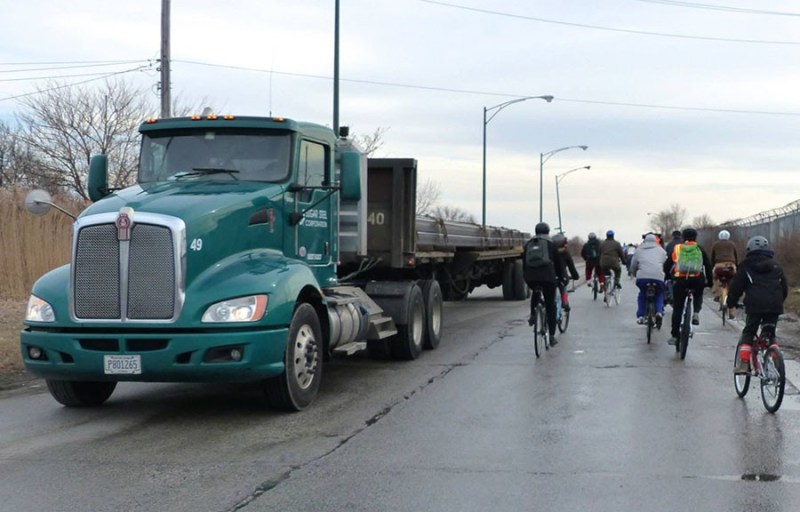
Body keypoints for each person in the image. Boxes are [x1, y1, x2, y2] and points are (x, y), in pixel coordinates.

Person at [726, 235, 788, 374]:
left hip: (755, 306)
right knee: (770, 333)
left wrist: (731, 303)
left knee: (749, 332)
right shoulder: (776, 266)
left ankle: (743, 364)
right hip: (775, 304)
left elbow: (736, 288)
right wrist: (777, 302)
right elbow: (784, 288)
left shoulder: (746, 266)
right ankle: (776, 358)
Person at [663, 227, 712, 346]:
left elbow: (667, 265)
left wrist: (668, 277)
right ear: (695, 237)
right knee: (698, 294)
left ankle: (674, 336)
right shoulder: (699, 248)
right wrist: (709, 282)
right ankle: (696, 313)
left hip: (680, 280)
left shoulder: (678, 248)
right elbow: (708, 266)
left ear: (683, 237)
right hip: (697, 279)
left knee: (678, 309)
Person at [523, 222, 565, 345]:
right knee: (550, 305)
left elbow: (525, 263)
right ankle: (552, 336)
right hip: (548, 278)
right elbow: (558, 264)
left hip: (530, 278)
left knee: (536, 291)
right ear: (547, 231)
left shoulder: (528, 244)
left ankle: (532, 315)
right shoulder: (551, 244)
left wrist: (526, 277)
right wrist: (561, 277)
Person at [630, 233, 667, 328]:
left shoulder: (639, 250)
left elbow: (633, 264)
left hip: (643, 278)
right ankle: (659, 312)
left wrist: (634, 274)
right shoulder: (661, 250)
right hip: (658, 278)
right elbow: (665, 262)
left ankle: (641, 316)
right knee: (659, 294)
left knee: (642, 294)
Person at [552, 233, 581, 311]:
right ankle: (565, 302)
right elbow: (571, 267)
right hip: (562, 277)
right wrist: (575, 276)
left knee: (550, 293)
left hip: (549, 277)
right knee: (563, 288)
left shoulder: (549, 252)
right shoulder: (565, 253)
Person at [710, 229, 739, 302]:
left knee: (715, 278)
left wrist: (712, 266)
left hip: (719, 265)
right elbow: (736, 256)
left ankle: (716, 293)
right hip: (731, 265)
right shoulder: (732, 244)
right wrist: (736, 266)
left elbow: (712, 257)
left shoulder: (715, 244)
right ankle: (733, 293)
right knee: (733, 278)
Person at [663, 230, 682, 305]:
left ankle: (671, 295)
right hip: (684, 266)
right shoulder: (683, 243)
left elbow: (667, 257)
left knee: (669, 279)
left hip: (673, 266)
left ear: (673, 236)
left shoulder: (669, 244)